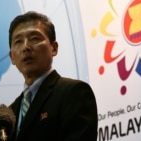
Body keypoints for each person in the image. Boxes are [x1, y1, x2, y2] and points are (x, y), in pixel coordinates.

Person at [7, 11, 98, 141]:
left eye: (34, 38)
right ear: (12, 57)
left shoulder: (73, 92)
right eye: (18, 41)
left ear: (53, 48)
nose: (26, 47)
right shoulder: (10, 112)